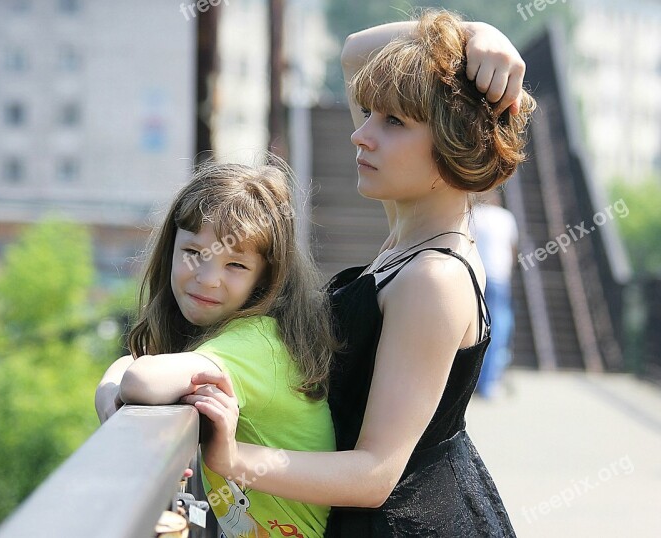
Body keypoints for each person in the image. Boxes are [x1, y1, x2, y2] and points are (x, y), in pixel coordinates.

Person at [181, 10, 536, 537]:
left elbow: (376, 473)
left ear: (453, 143)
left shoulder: (433, 278)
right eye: (369, 112)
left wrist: (234, 458)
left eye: (393, 122)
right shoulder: (412, 228)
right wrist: (468, 35)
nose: (360, 135)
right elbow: (354, 52)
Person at [94, 158, 338, 538]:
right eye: (194, 253)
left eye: (236, 265)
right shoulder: (250, 336)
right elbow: (139, 364)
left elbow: (142, 378)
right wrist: (112, 378)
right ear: (170, 249)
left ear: (265, 279)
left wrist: (110, 385)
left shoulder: (256, 343)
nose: (208, 280)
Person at [472, 192, 519, 399]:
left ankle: (471, 380)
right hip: (500, 277)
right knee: (498, 327)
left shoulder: (474, 214)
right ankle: (490, 382)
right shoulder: (506, 217)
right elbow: (513, 249)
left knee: (475, 328)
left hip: (478, 276)